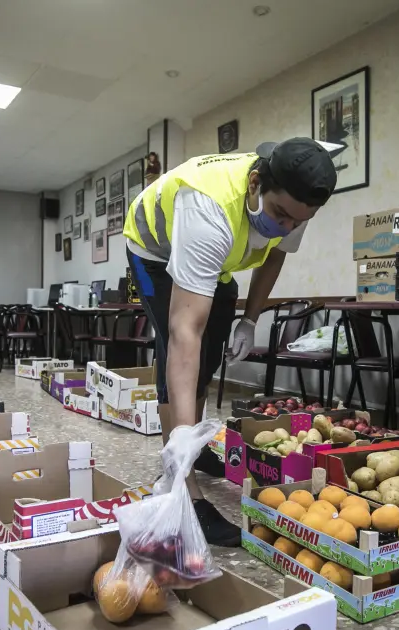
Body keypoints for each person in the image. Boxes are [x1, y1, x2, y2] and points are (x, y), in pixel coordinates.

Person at [124, 138, 337, 546]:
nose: (286, 227)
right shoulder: (207, 208)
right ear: (255, 184)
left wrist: (250, 319)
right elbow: (185, 332)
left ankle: (194, 446)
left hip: (214, 258)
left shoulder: (295, 203)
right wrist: (181, 433)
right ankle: (182, 485)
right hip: (154, 250)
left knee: (209, 353)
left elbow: (276, 253)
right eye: (280, 215)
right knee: (180, 347)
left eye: (297, 221)